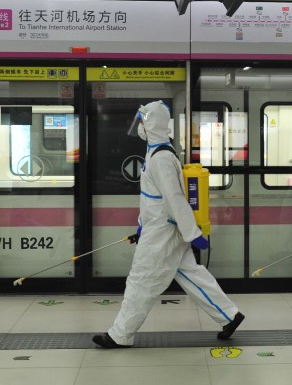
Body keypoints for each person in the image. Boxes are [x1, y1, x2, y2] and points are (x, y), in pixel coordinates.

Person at [93, 100, 244, 348]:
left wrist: (192, 233)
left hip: (163, 233)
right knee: (190, 274)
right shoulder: (155, 152)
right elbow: (153, 199)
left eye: (142, 121)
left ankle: (120, 335)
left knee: (141, 280)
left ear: (152, 124)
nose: (139, 126)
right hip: (160, 228)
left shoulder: (161, 157)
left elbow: (175, 199)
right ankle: (229, 315)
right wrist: (142, 225)